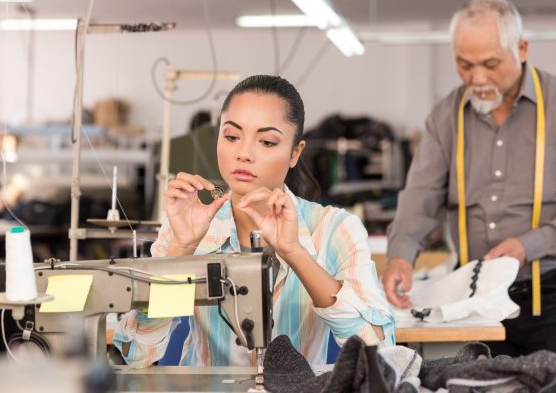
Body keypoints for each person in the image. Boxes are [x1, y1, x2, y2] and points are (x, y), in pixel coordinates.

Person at [114, 75, 395, 367]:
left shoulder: (335, 229)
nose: (244, 154)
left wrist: (294, 252)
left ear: (295, 153)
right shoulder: (188, 227)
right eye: (232, 136)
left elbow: (379, 348)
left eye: (267, 141)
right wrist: (182, 248)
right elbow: (136, 355)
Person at [382, 0, 556, 391]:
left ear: (521, 49)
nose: (476, 78)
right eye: (464, 64)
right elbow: (421, 192)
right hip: (479, 306)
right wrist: (401, 254)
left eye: (490, 64)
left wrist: (531, 244)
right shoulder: (446, 115)